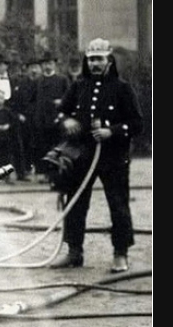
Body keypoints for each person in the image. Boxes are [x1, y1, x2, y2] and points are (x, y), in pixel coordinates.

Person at [50, 38, 144, 272]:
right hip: (82, 154)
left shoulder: (122, 88)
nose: (95, 64)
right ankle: (74, 251)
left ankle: (120, 253)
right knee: (76, 202)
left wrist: (110, 131)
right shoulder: (79, 86)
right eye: (91, 59)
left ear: (109, 60)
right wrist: (68, 119)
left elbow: (137, 123)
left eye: (99, 59)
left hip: (114, 157)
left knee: (118, 204)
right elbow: (60, 112)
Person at [31, 52, 70, 181]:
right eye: (45, 64)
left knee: (56, 147)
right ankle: (43, 173)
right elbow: (32, 100)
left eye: (50, 63)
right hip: (41, 120)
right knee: (42, 147)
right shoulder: (37, 81)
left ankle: (55, 174)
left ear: (54, 64)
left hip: (57, 118)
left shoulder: (62, 80)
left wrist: (62, 102)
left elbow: (70, 98)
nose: (47, 66)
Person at [10, 57, 42, 180]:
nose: (33, 70)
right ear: (27, 69)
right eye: (31, 68)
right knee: (24, 146)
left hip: (40, 119)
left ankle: (41, 171)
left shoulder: (44, 83)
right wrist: (18, 115)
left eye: (36, 67)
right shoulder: (21, 84)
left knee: (40, 145)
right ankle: (24, 172)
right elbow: (14, 102)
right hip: (24, 120)